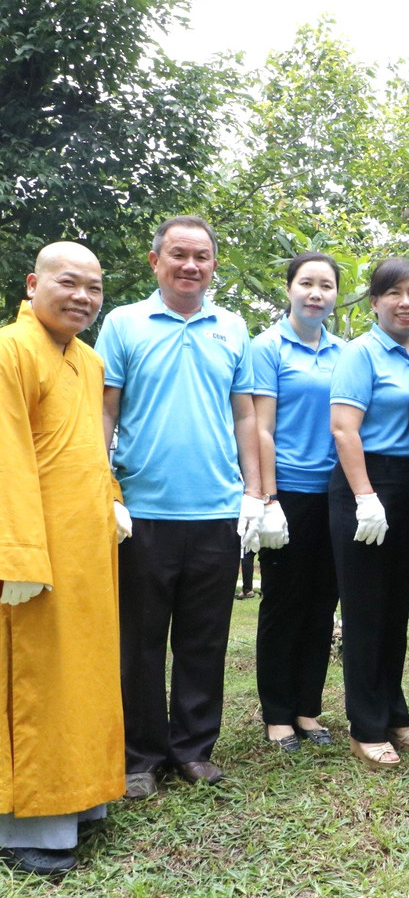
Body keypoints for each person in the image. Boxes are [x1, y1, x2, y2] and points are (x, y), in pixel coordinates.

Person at [96, 216, 263, 799]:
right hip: (142, 510)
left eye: (202, 256)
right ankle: (139, 756)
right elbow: (105, 410)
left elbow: (245, 414)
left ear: (214, 265)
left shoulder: (232, 327)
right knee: (139, 641)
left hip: (216, 509)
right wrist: (102, 485)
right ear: (155, 261)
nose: (190, 265)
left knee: (203, 638)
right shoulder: (123, 324)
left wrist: (253, 492)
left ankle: (193, 750)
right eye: (178, 255)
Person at [0, 243, 124, 877]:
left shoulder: (88, 358)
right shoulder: (11, 350)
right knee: (42, 681)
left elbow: (88, 449)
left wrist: (112, 498)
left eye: (94, 288)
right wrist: (18, 554)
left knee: (87, 673)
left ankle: (83, 797)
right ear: (34, 283)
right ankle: (34, 822)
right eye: (69, 283)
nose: (82, 296)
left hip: (86, 550)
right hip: (37, 556)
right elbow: (8, 457)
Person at [328, 258, 409, 769]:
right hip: (365, 485)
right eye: (394, 293)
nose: (405, 302)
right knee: (366, 609)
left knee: (395, 608)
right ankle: (365, 726)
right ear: (374, 301)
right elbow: (345, 429)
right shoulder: (361, 353)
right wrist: (366, 496)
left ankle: (393, 710)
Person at [251, 252, 345, 752]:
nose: (315, 293)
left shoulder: (344, 353)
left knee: (321, 602)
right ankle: (278, 714)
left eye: (326, 285)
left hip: (334, 493)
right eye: (306, 283)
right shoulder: (267, 347)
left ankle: (308, 709)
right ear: (288, 288)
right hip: (286, 492)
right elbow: (260, 427)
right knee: (284, 602)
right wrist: (266, 498)